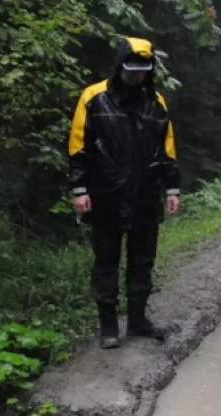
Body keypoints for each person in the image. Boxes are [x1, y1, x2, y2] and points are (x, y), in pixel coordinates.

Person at [67, 36, 182, 350]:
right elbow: (79, 146)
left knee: (142, 261)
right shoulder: (94, 97)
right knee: (106, 261)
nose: (136, 76)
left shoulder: (156, 102)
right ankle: (108, 328)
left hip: (146, 193)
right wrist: (80, 189)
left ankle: (138, 321)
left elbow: (167, 148)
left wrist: (171, 188)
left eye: (142, 70)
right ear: (119, 67)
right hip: (106, 193)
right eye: (131, 70)